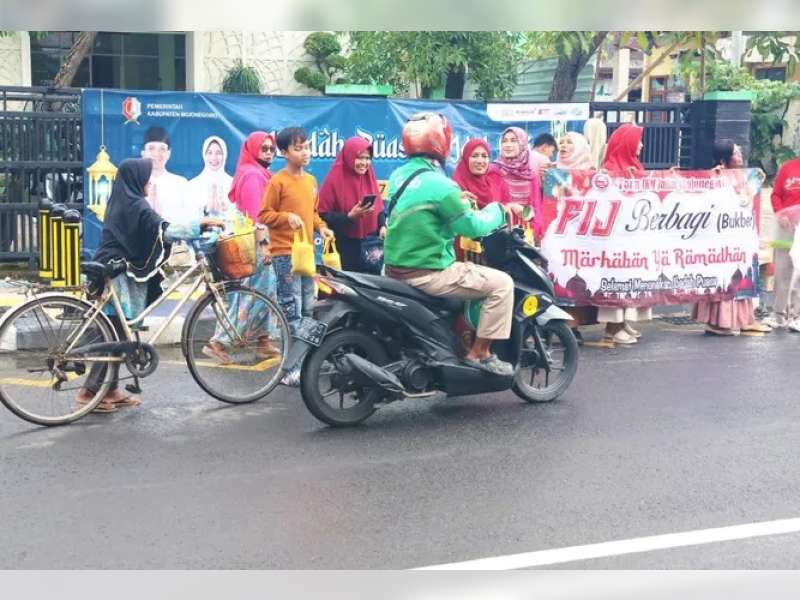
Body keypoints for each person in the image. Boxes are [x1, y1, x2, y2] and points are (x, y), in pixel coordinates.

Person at [76, 159, 222, 413]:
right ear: (135, 179)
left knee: (119, 331)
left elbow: (155, 226)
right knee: (116, 334)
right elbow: (164, 229)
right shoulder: (136, 204)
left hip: (116, 268)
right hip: (118, 273)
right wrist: (200, 225)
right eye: (146, 177)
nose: (149, 181)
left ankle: (109, 390)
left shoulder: (125, 199)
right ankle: (90, 392)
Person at [383, 112, 514, 376]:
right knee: (502, 284)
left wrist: (457, 199)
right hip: (428, 273)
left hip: (393, 270)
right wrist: (498, 211)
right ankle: (480, 353)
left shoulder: (398, 176)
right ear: (440, 143)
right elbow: (472, 227)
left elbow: (421, 210)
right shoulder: (441, 185)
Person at [260, 127, 334, 385]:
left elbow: (312, 214)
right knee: (291, 312)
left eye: (307, 147)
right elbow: (264, 214)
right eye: (298, 148)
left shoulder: (311, 181)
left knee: (308, 309)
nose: (305, 153)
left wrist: (322, 227)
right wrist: (284, 217)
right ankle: (289, 368)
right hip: (284, 255)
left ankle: (304, 364)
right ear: (284, 152)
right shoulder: (277, 181)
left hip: (307, 254)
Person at [203, 131, 281, 364]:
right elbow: (256, 217)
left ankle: (263, 340)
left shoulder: (259, 173)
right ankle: (218, 342)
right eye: (263, 148)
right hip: (253, 244)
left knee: (266, 291)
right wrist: (264, 246)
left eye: (271, 148)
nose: (268, 152)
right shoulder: (252, 176)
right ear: (252, 149)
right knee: (253, 294)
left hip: (255, 242)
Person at [693, 140, 772, 336]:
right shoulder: (715, 177)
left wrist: (756, 180)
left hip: (741, 238)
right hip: (722, 241)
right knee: (726, 279)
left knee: (744, 277)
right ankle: (717, 322)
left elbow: (745, 199)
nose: (740, 155)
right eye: (736, 153)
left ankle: (745, 320)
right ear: (724, 159)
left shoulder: (742, 176)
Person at [598, 123, 652, 345]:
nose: (641, 145)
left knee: (629, 279)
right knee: (617, 280)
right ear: (627, 142)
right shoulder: (609, 169)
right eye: (638, 140)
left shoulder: (634, 165)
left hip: (632, 238)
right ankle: (612, 326)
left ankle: (621, 322)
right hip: (615, 240)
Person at [318, 136, 386, 272]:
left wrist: (382, 226)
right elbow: (323, 214)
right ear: (349, 157)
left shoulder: (369, 177)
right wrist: (349, 217)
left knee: (372, 289)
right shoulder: (334, 179)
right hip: (345, 247)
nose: (364, 163)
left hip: (371, 247)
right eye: (360, 158)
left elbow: (378, 207)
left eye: (367, 158)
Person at [452, 138, 512, 262]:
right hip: (465, 252)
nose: (480, 161)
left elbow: (506, 211)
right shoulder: (456, 185)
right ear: (466, 158)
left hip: (494, 249)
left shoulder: (496, 182)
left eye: (484, 156)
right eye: (474, 156)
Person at [764, 152, 800, 331]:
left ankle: (798, 315)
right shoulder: (788, 167)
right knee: (782, 271)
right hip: (785, 227)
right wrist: (782, 214)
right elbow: (776, 194)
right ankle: (778, 315)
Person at [489, 126, 544, 239]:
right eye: (504, 141)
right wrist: (511, 206)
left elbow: (536, 208)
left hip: (526, 234)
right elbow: (489, 205)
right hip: (500, 233)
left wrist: (527, 213)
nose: (507, 145)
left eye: (513, 141)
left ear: (523, 144)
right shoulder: (493, 171)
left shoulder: (530, 175)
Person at [140, 126, 194, 224]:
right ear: (143, 153)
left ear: (168, 154)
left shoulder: (181, 184)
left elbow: (190, 222)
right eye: (151, 148)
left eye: (162, 149)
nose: (157, 154)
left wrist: (162, 218)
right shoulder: (133, 185)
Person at [189, 135, 233, 216]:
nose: (214, 157)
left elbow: (240, 215)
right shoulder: (192, 185)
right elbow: (188, 215)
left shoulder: (234, 184)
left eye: (219, 153)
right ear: (204, 155)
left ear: (225, 155)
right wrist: (205, 210)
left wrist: (226, 210)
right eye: (209, 153)